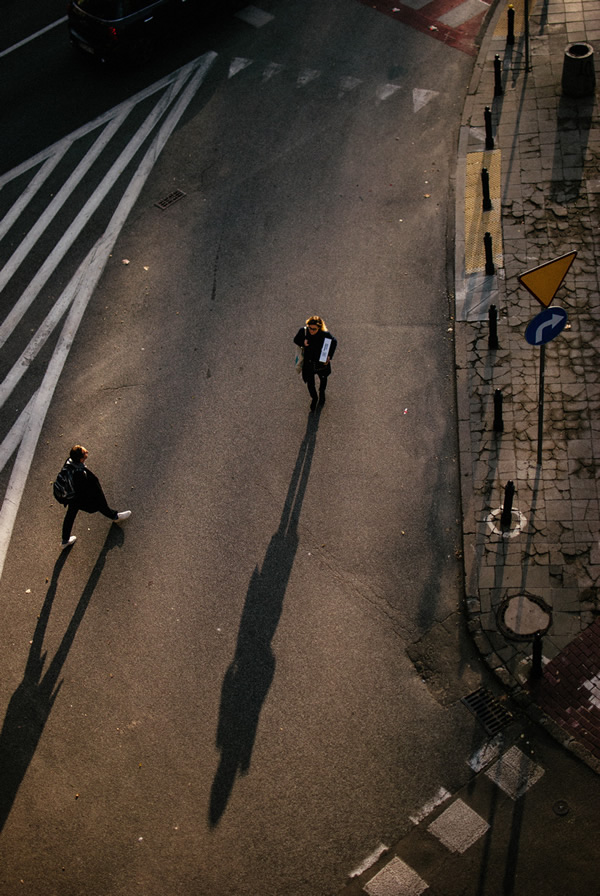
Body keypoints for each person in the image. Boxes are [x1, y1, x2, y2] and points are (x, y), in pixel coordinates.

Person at [61, 445, 131, 549]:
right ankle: (115, 517)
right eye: (85, 453)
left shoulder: (70, 462)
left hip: (70, 496)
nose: (87, 452)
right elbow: (85, 489)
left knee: (70, 515)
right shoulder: (79, 474)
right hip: (78, 497)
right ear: (80, 459)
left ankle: (65, 540)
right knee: (100, 505)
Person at [293, 315, 338, 411]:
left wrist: (329, 356)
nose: (311, 331)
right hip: (308, 364)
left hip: (321, 363)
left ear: (319, 328)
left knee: (323, 379)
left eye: (314, 329)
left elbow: (334, 342)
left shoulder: (325, 335)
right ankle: (314, 398)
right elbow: (295, 340)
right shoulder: (304, 332)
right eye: (310, 328)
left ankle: (322, 393)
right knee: (310, 383)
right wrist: (303, 342)